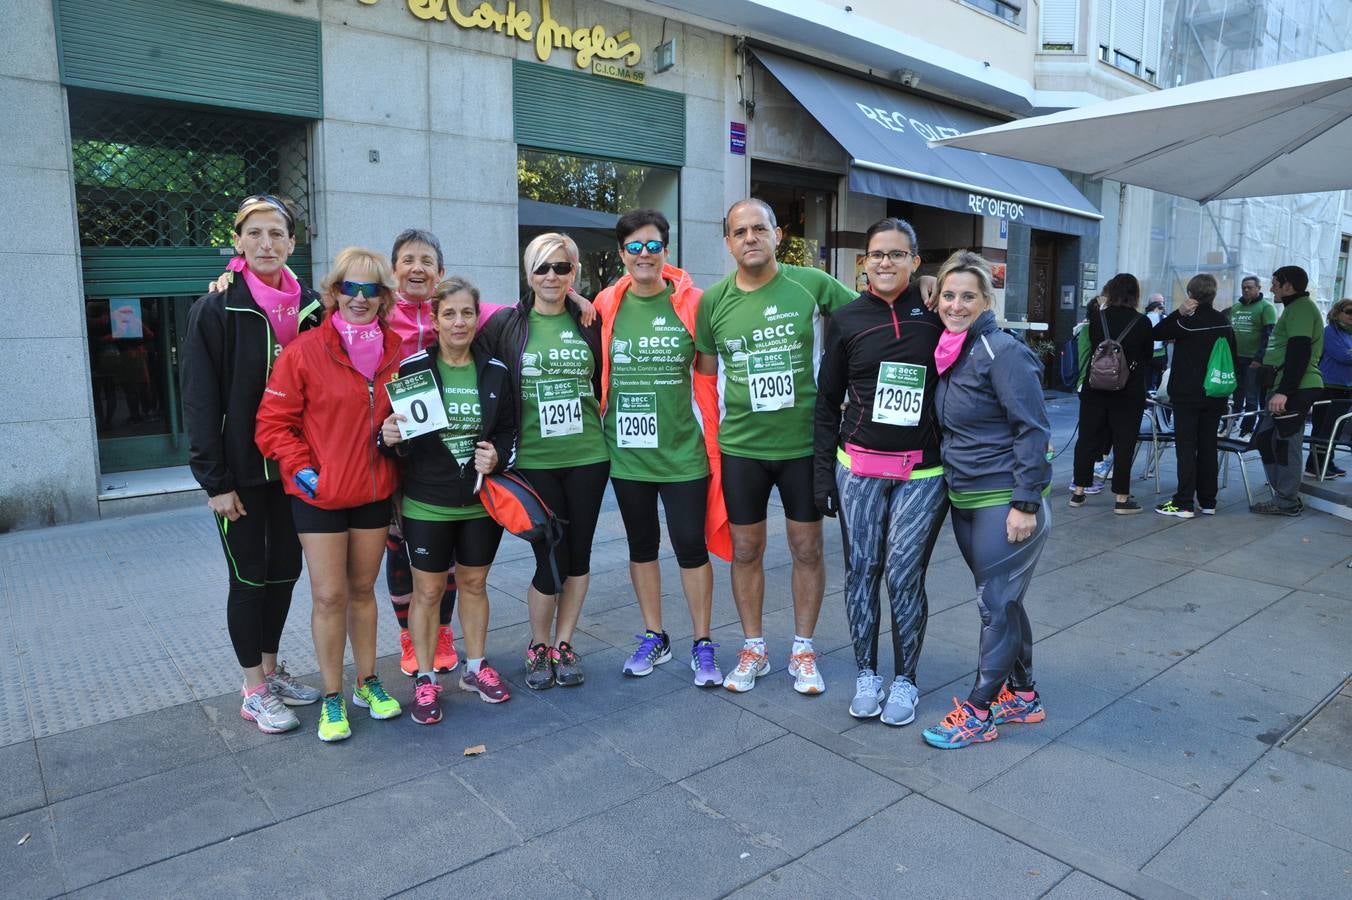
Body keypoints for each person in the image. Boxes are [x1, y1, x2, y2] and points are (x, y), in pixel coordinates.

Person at [694, 199, 857, 695]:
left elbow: (868, 319)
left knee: (806, 546)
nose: (749, 238)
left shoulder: (811, 284)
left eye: (758, 228)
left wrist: (922, 294)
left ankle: (803, 650)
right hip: (742, 447)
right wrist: (711, 444)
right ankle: (754, 647)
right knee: (746, 550)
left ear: (776, 233)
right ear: (727, 242)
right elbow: (704, 376)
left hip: (803, 445)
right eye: (739, 231)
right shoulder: (714, 301)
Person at [183, 194, 324, 735]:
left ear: (292, 243)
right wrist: (213, 481)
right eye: (256, 233)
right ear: (239, 241)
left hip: (295, 470)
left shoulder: (312, 305)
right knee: (248, 579)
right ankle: (252, 691)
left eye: (277, 234)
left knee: (285, 573)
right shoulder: (216, 309)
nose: (267, 243)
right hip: (240, 474)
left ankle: (270, 671)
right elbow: (198, 400)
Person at [255, 247, 404, 742]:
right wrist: (304, 472)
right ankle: (333, 696)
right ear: (333, 291)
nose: (359, 298)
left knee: (362, 591)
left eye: (371, 290)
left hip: (374, 490)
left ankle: (368, 683)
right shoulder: (304, 351)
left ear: (384, 297)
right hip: (318, 495)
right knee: (328, 594)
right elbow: (272, 426)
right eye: (350, 288)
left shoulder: (398, 351)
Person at [813, 217, 947, 726]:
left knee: (905, 575)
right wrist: (822, 476)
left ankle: (906, 680)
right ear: (863, 263)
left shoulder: (936, 313)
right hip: (859, 470)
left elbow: (971, 302)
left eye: (897, 254)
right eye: (877, 254)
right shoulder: (846, 319)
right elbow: (826, 404)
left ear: (915, 261)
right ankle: (866, 673)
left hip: (923, 473)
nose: (885, 263)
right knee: (862, 572)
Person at [921, 250, 1051, 750]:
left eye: (967, 297)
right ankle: (1023, 695)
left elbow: (1033, 429)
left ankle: (978, 712)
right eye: (948, 295)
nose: (955, 305)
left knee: (995, 606)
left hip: (1005, 499)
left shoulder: (1002, 351)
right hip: (967, 496)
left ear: (987, 301)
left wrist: (1026, 503)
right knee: (1004, 602)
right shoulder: (952, 349)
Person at [593, 209, 730, 687]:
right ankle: (655, 635)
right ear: (621, 255)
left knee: (691, 546)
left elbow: (711, 374)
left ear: (666, 251)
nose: (644, 254)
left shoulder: (694, 303)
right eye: (635, 247)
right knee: (641, 545)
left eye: (653, 245)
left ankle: (702, 641)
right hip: (627, 454)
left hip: (683, 452)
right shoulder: (607, 301)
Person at [378, 277, 517, 724]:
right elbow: (395, 438)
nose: (459, 322)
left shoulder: (495, 369)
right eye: (449, 314)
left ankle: (475, 668)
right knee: (429, 590)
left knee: (475, 585)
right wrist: (391, 437)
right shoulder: (416, 368)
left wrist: (497, 455)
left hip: (480, 502)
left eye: (467, 313)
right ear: (434, 320)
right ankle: (424, 679)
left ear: (478, 318)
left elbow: (510, 432)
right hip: (426, 502)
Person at [480, 233, 608, 689]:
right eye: (542, 268)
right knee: (548, 557)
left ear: (573, 272)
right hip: (533, 458)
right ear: (528, 273)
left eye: (561, 267)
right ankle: (538, 643)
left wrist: (578, 298)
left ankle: (565, 642)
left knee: (579, 556)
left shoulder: (591, 320)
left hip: (589, 455)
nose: (551, 276)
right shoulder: (506, 324)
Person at [1151, 274, 1236, 518]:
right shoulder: (1223, 321)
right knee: (1208, 445)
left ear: (1190, 294)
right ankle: (1208, 501)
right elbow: (1232, 356)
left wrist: (1178, 312)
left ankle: (1184, 502)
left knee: (1186, 448)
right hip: (1215, 393)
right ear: (1213, 294)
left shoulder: (1186, 322)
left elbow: (1158, 333)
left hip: (1187, 394)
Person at [1068, 273, 1153, 514]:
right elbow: (1148, 356)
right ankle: (1122, 499)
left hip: (1096, 388)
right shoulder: (1142, 322)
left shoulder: (1097, 318)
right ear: (1134, 294)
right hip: (1129, 392)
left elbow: (1093, 347)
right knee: (1124, 443)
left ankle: (1078, 493)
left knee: (1087, 439)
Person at [1251, 265, 1324, 516]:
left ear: (1288, 286)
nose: (1271, 287)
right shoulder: (1293, 309)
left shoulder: (1302, 308)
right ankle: (1284, 494)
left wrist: (1284, 391)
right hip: (1285, 386)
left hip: (1295, 388)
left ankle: (1286, 501)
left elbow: (1300, 351)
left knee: (1285, 445)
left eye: (1274, 283)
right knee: (1265, 440)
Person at [1306, 298, 1352, 478]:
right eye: (1348, 311)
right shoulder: (1330, 332)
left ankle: (1327, 462)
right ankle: (1313, 466)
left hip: (1346, 387)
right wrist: (1348, 354)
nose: (1351, 316)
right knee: (1323, 429)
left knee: (1336, 429)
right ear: (1337, 312)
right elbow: (1343, 356)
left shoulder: (1349, 334)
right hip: (1328, 386)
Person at [1227, 275, 1278, 436]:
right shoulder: (1236, 307)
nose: (1246, 290)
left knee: (1251, 397)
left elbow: (1269, 336)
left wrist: (1259, 358)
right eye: (1244, 287)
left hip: (1253, 360)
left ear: (1258, 288)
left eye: (1250, 287)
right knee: (1236, 393)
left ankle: (1247, 430)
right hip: (1235, 358)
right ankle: (1230, 424)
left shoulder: (1266, 307)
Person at [1145, 295, 1168, 393]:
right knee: (1160, 381)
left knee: (1146, 381)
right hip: (1160, 356)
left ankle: (1146, 402)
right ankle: (1158, 403)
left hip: (1146, 355)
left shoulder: (1143, 318)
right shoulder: (1164, 317)